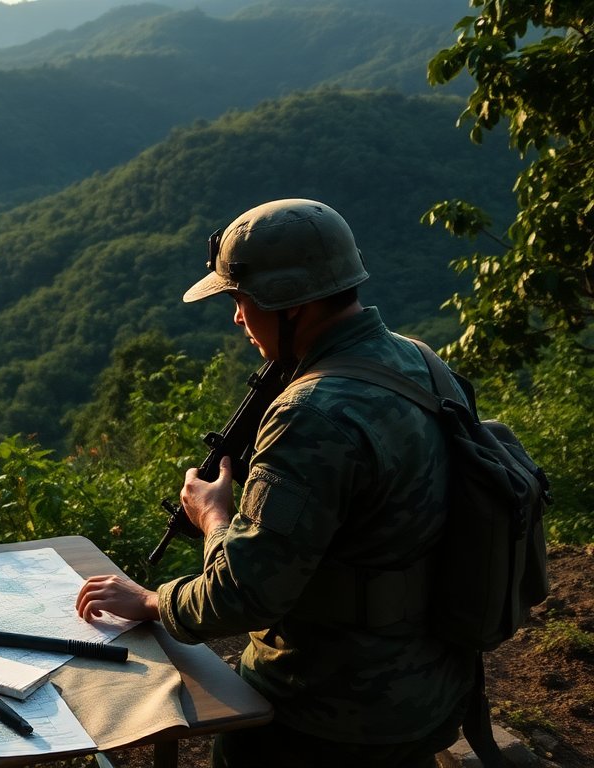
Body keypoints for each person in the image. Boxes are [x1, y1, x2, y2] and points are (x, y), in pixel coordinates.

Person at [76, 199, 474, 767]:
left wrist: (172, 573)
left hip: (324, 712)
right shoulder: (423, 363)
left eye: (242, 300)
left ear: (291, 304)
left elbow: (242, 595)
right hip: (432, 689)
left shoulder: (311, 415)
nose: (238, 318)